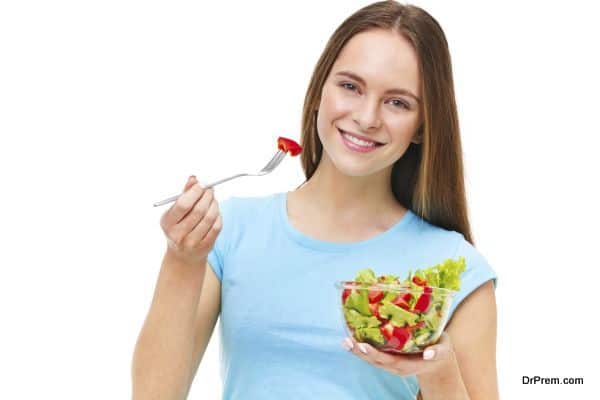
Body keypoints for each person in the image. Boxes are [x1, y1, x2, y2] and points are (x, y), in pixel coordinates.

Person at [132, 1, 499, 399]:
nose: (367, 116)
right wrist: (182, 260)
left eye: (397, 102)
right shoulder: (230, 231)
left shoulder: (457, 269)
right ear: (318, 93)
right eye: (350, 87)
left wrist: (439, 374)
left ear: (422, 127)